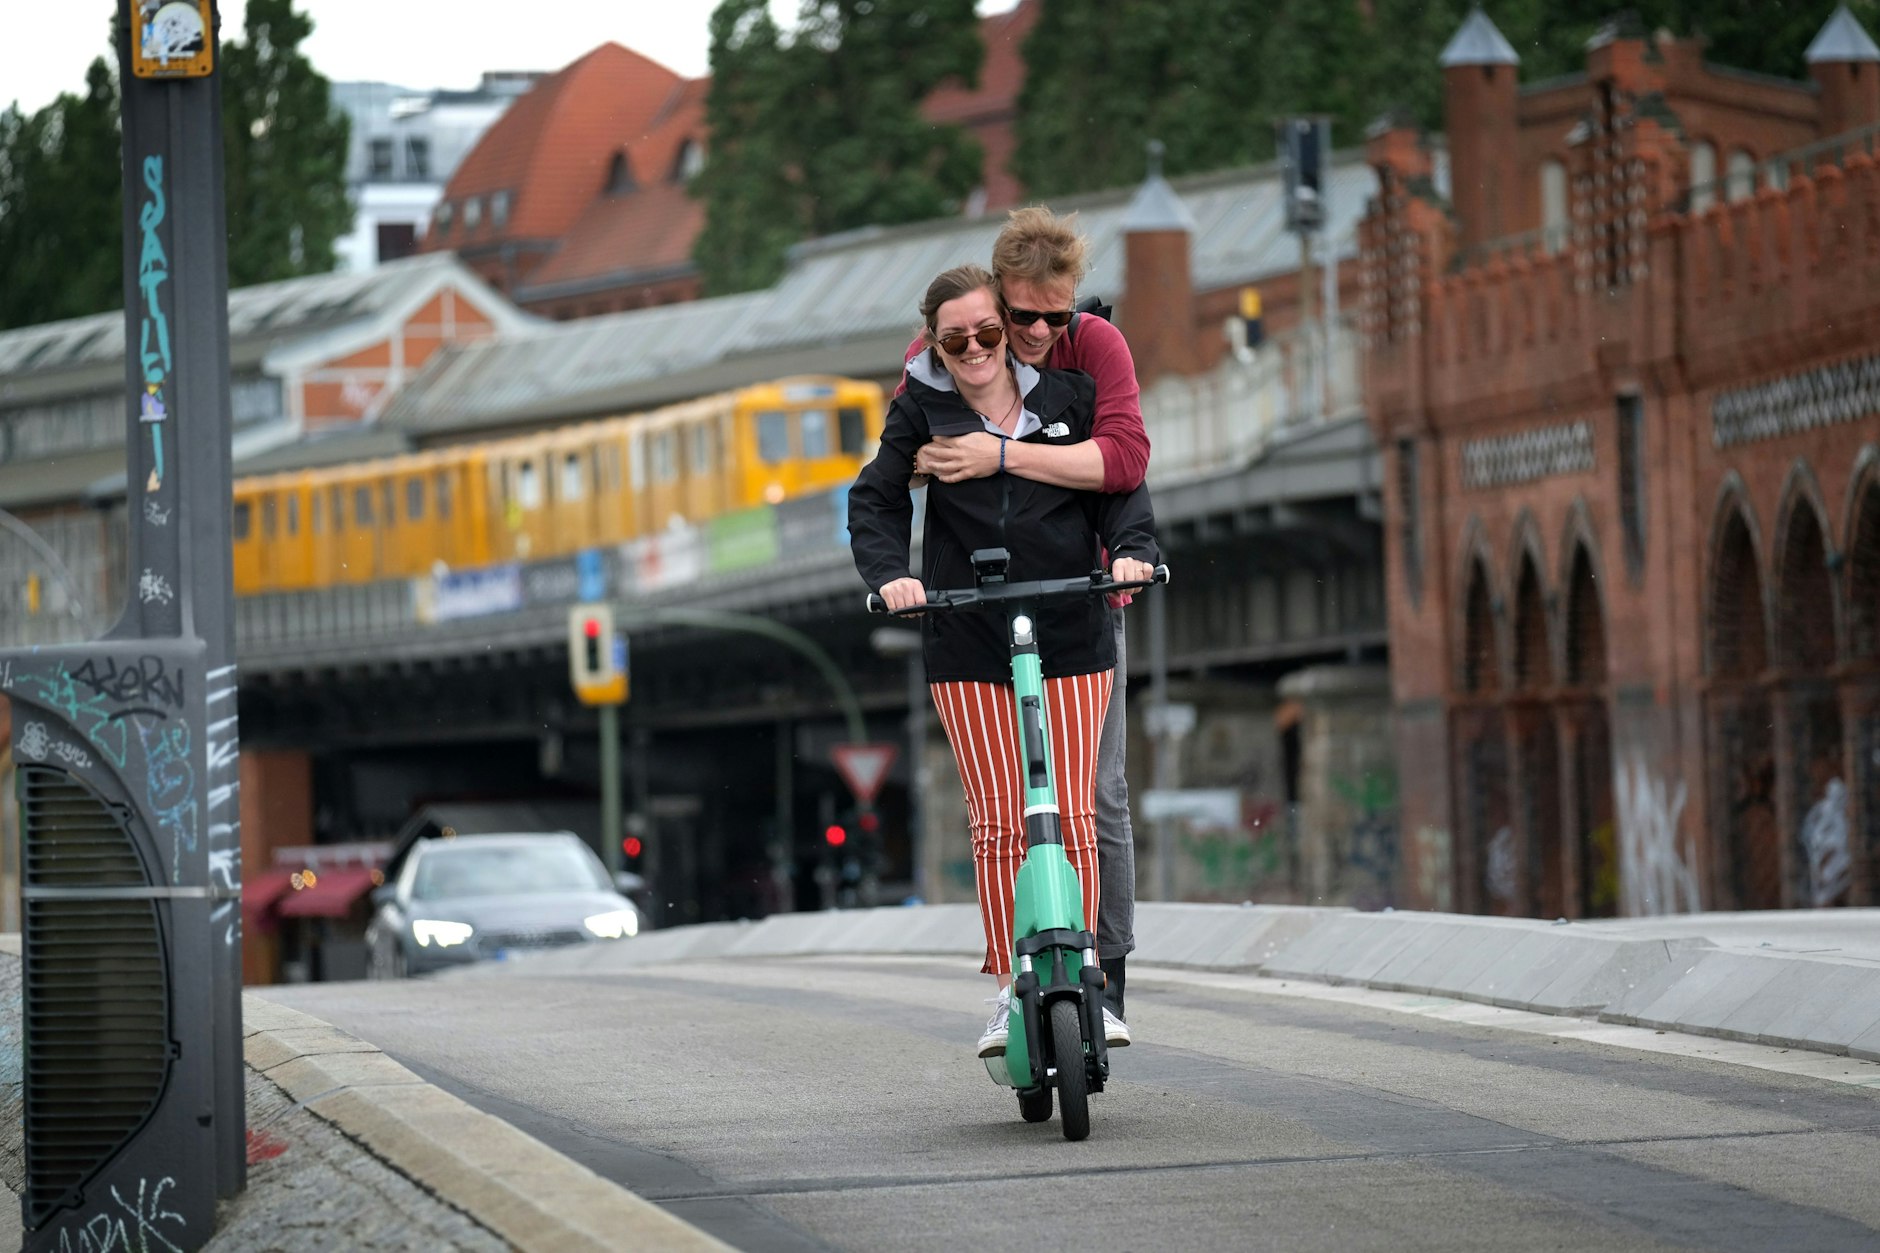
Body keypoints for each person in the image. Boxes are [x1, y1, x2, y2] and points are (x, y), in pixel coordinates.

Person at [851, 264, 1159, 1059]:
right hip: (969, 634)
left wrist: (1131, 552)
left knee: (1076, 815)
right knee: (997, 822)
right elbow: (875, 499)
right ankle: (1004, 988)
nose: (979, 349)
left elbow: (1123, 490)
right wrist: (892, 578)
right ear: (937, 348)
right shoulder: (922, 412)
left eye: (990, 333)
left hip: (1070, 623)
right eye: (957, 341)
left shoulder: (1070, 397)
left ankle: (1091, 972)